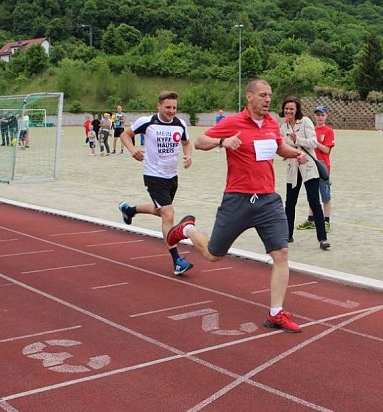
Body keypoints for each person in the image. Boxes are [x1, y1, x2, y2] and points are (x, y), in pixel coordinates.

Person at [164, 79, 309, 332]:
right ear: (249, 97)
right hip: (238, 199)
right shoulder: (233, 122)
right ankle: (187, 229)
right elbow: (199, 142)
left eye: (270, 96)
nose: (268, 100)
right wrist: (223, 142)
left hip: (267, 200)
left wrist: (295, 152)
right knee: (213, 255)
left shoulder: (272, 124)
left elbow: (279, 147)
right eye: (263, 95)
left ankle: (276, 313)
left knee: (281, 254)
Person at [118, 91, 194, 276]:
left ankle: (129, 210)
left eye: (174, 107)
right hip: (153, 175)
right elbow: (125, 135)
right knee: (168, 214)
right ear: (158, 106)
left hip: (172, 176)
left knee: (160, 210)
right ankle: (177, 260)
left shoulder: (180, 124)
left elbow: (186, 142)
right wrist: (133, 149)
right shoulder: (148, 122)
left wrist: (188, 155)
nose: (171, 111)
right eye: (168, 107)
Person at [280, 96, 330, 250]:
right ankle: (288, 235)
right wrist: (286, 153)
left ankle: (322, 239)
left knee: (314, 202)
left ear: (297, 110)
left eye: (291, 109)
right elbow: (283, 147)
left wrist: (298, 139)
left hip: (309, 167)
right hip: (293, 168)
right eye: (286, 108)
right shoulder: (283, 128)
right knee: (290, 203)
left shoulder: (306, 122)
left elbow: (313, 142)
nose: (288, 111)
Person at [296, 105, 335, 232]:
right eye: (318, 114)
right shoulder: (310, 128)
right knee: (312, 195)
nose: (320, 117)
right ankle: (311, 220)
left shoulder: (328, 131)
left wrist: (314, 142)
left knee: (325, 195)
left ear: (326, 116)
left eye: (322, 115)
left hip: (323, 166)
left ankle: (326, 221)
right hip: (310, 166)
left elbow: (326, 149)